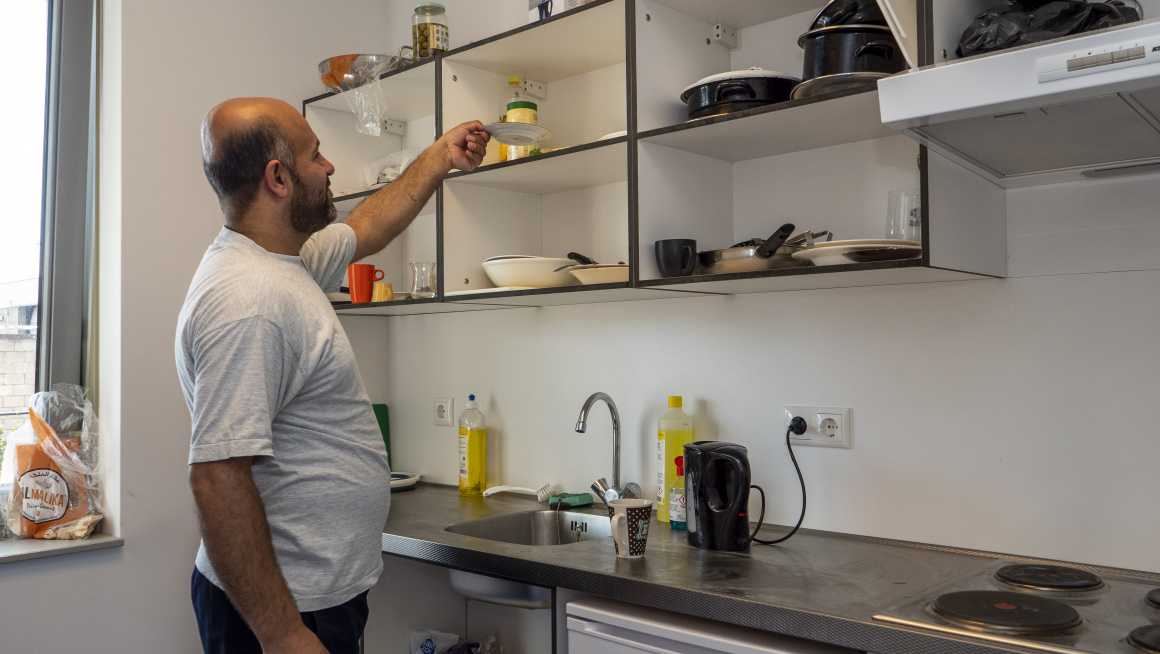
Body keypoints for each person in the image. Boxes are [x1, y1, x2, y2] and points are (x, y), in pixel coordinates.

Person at [175, 97, 489, 654]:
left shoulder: (283, 261)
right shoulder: (249, 299)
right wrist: (283, 635)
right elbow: (217, 478)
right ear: (278, 178)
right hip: (284, 612)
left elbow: (366, 224)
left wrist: (440, 156)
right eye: (315, 154)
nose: (330, 167)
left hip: (315, 598)